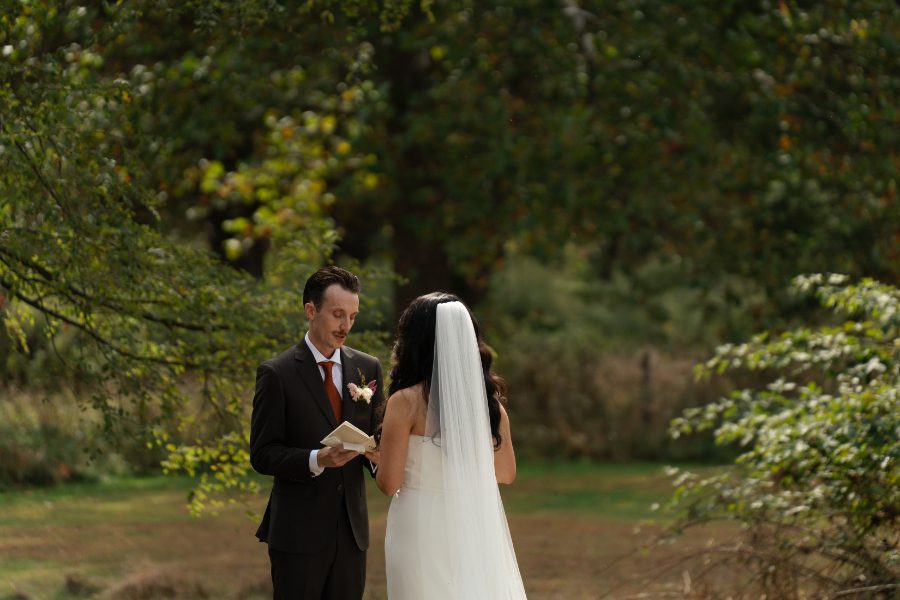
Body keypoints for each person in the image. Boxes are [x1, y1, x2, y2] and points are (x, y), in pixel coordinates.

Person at [376, 292, 527, 599]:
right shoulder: (489, 405)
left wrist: (378, 456)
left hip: (418, 528)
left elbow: (389, 483)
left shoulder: (405, 402)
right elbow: (506, 473)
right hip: (471, 523)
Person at [250, 266, 384, 600]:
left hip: (352, 535)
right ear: (311, 311)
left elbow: (378, 439)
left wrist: (378, 457)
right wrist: (316, 459)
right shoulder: (276, 374)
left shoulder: (367, 368)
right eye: (338, 315)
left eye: (352, 316)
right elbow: (263, 454)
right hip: (297, 535)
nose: (346, 326)